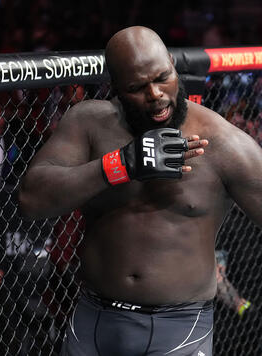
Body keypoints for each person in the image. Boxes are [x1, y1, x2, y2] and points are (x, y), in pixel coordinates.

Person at [18, 26, 262, 356]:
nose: (156, 94)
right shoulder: (89, 123)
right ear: (116, 88)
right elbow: (31, 201)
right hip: (93, 319)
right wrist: (119, 166)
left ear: (175, 68)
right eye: (137, 87)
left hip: (179, 331)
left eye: (162, 77)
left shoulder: (223, 144)